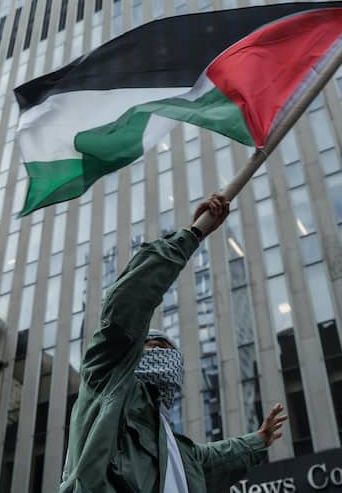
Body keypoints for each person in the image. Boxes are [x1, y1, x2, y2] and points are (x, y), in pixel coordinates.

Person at [60, 193, 287, 492]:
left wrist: (258, 441)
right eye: (154, 347)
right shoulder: (107, 378)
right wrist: (193, 234)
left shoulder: (167, 437)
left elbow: (205, 461)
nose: (165, 356)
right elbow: (127, 305)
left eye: (171, 352)